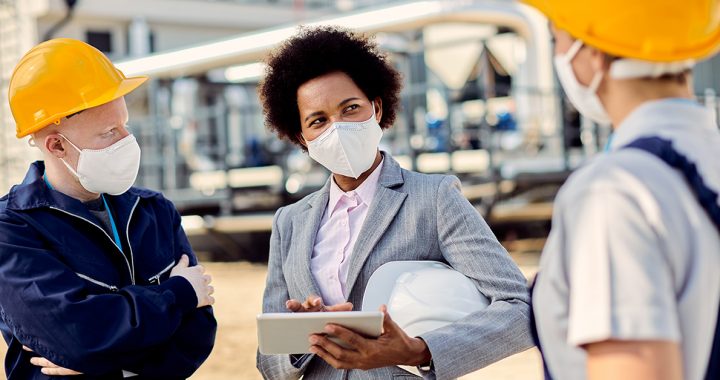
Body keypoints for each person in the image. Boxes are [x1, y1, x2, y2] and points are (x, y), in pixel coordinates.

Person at [256, 26, 533, 380]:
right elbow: (267, 359)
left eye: (350, 108)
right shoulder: (289, 222)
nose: (337, 128)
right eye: (318, 120)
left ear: (376, 106)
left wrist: (421, 349)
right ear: (301, 136)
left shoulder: (434, 199)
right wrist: (303, 335)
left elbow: (519, 308)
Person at [521, 0, 720, 379]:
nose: (558, 55)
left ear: (594, 54)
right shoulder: (707, 157)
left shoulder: (614, 194)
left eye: (557, 39)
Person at [0, 38, 217, 379]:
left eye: (125, 124)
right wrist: (179, 295)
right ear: (57, 145)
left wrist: (106, 362)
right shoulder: (12, 229)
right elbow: (77, 336)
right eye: (109, 132)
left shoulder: (155, 212)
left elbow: (197, 333)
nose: (127, 141)